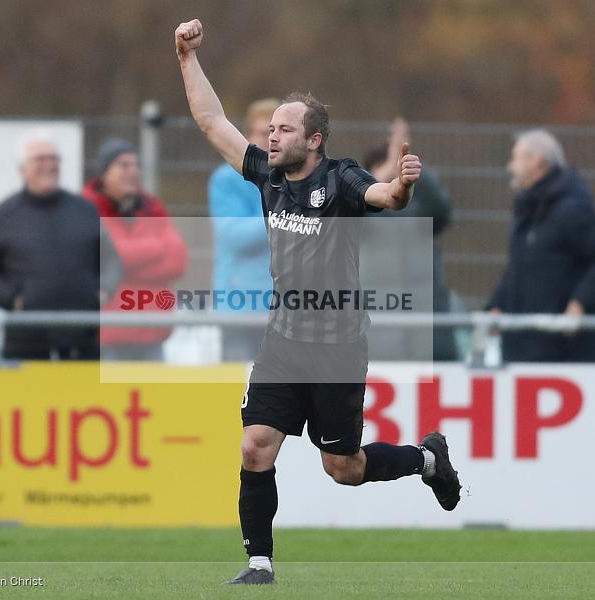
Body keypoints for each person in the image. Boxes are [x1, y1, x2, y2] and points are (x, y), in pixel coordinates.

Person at [175, 18, 462, 585]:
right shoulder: (265, 176)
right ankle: (260, 565)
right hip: (283, 341)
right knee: (255, 448)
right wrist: (186, 58)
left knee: (344, 468)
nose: (271, 136)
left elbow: (386, 196)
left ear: (314, 140)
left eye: (284, 129)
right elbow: (212, 122)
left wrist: (402, 186)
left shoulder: (343, 179)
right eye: (270, 128)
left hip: (337, 348)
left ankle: (428, 459)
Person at [0, 131, 121, 360]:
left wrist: (103, 291)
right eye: (40, 159)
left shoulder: (85, 210)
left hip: (82, 343)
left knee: (86, 398)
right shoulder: (3, 216)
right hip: (26, 345)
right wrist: (13, 299)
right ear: (22, 168)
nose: (48, 165)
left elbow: (111, 260)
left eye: (54, 159)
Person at [487, 129, 595, 362]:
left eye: (516, 158)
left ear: (537, 161)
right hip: (523, 352)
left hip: (565, 355)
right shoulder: (528, 211)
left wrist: (579, 302)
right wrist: (497, 305)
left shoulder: (571, 209)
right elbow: (517, 268)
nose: (511, 167)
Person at [361, 118, 458, 361]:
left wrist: (412, 170)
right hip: (377, 333)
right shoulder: (357, 212)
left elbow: (443, 210)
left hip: (428, 330)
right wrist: (382, 176)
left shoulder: (420, 213)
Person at [82, 138, 187, 361]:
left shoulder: (153, 206)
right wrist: (156, 247)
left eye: (136, 165)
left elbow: (177, 260)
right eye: (124, 165)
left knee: (154, 396)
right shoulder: (85, 208)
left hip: (151, 332)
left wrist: (121, 263)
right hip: (105, 336)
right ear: (104, 172)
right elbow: (100, 259)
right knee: (106, 397)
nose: (133, 171)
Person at [208, 98, 278, 361]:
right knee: (236, 393)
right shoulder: (226, 179)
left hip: (282, 310)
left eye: (279, 132)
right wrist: (284, 216)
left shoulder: (294, 180)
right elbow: (235, 236)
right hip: (240, 308)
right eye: (264, 133)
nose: (272, 141)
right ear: (247, 136)